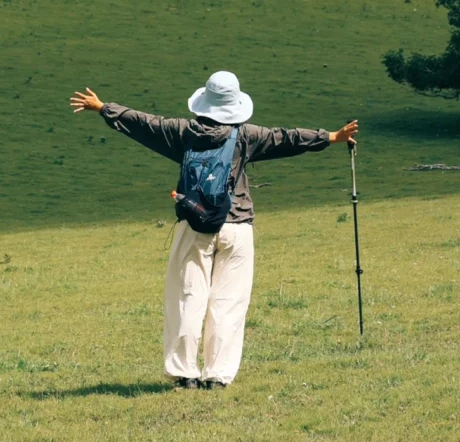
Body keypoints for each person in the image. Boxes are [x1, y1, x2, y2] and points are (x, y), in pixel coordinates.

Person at [70, 71, 357, 390]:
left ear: (204, 101)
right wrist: (332, 136)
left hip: (194, 225)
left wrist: (103, 107)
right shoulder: (247, 135)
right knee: (229, 302)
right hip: (237, 227)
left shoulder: (182, 132)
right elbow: (286, 138)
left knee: (187, 298)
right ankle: (218, 376)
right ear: (235, 104)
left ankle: (185, 373)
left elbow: (144, 123)